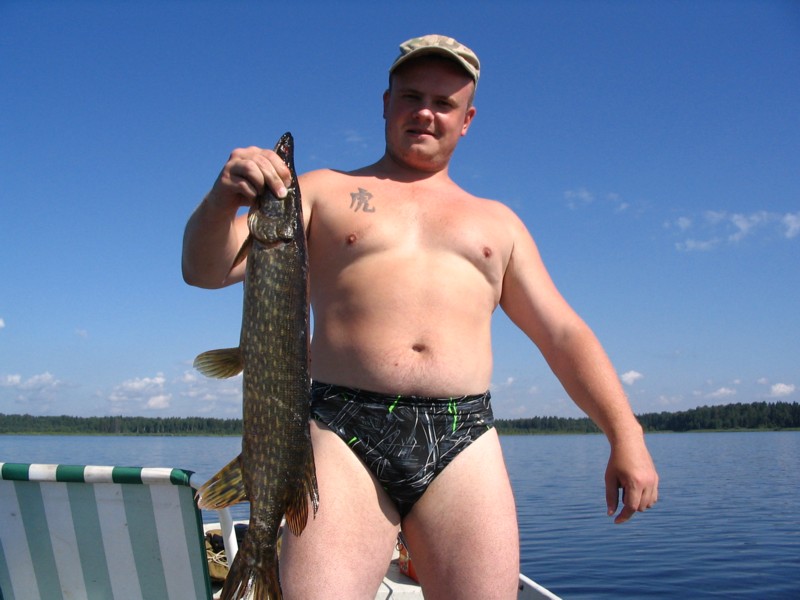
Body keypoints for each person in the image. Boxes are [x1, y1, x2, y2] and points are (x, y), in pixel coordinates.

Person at [182, 34, 658, 600]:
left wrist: (626, 435)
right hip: (342, 428)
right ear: (387, 104)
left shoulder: (498, 223)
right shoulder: (321, 191)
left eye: (443, 103)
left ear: (467, 119)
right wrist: (222, 199)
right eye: (411, 97)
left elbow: (562, 333)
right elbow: (204, 269)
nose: (425, 113)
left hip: (462, 434)